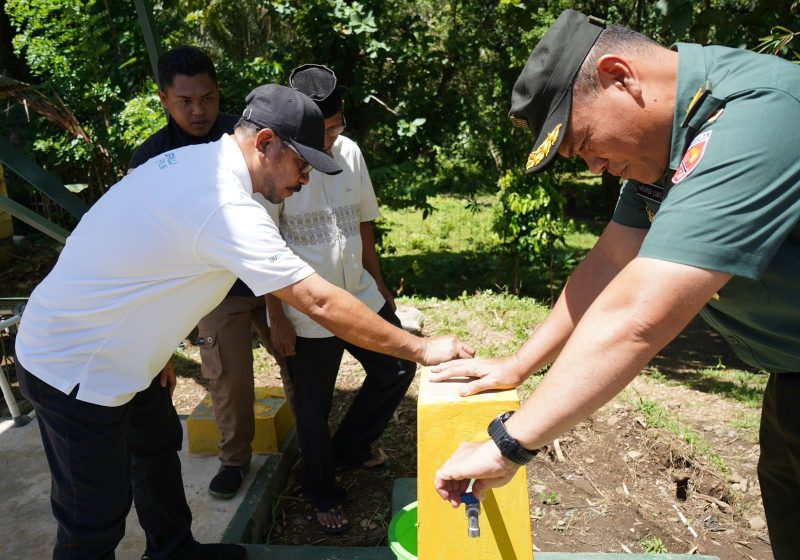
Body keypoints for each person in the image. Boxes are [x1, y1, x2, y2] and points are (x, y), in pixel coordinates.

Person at [15, 83, 473, 560]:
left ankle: (175, 551)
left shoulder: (193, 164)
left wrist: (153, 354)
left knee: (155, 450)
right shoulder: (224, 205)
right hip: (72, 366)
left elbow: (132, 256)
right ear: (266, 142)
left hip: (122, 354)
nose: (305, 180)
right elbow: (317, 301)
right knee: (94, 519)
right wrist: (421, 349)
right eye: (302, 165)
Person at [430, 9, 800, 559]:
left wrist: (510, 443)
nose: (597, 166)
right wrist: (518, 366)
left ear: (619, 75)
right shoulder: (665, 149)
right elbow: (610, 262)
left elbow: (639, 315)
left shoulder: (759, 117)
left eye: (585, 143)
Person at [128, 45, 293, 502]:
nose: (199, 111)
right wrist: (159, 339)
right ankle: (234, 460)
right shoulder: (151, 161)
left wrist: (278, 308)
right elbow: (150, 251)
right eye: (186, 102)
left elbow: (274, 224)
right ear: (163, 99)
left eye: (208, 98)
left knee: (299, 361)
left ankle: (313, 446)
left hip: (271, 274)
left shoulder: (246, 143)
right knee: (226, 376)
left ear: (220, 93)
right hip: (213, 292)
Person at [262, 64, 415, 534]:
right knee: (312, 406)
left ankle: (349, 447)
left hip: (360, 294)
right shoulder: (276, 164)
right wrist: (277, 318)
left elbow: (363, 225)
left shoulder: (350, 152)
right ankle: (321, 490)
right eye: (323, 131)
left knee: (397, 368)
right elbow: (262, 246)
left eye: (337, 126)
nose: (332, 137)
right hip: (306, 309)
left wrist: (382, 289)